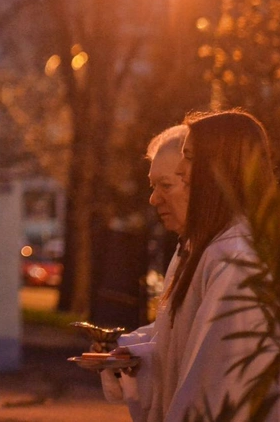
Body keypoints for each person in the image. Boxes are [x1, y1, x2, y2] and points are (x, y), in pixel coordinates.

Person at [107, 110, 280, 422]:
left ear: (221, 165)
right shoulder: (210, 249)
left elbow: (218, 380)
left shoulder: (238, 257)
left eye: (189, 157)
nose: (181, 169)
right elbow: (188, 349)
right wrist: (131, 354)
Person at [96, 125, 188, 409]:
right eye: (153, 187)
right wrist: (121, 349)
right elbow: (172, 333)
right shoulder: (188, 250)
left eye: (166, 185)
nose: (153, 199)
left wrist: (133, 355)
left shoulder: (224, 255)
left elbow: (206, 367)